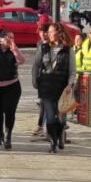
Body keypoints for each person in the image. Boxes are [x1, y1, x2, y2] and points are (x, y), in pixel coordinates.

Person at [31, 23, 76, 153]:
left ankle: (60, 133)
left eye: (51, 31)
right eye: (48, 32)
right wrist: (34, 80)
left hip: (62, 87)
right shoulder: (43, 47)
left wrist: (70, 84)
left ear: (58, 33)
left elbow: (73, 70)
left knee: (61, 118)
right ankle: (53, 142)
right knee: (50, 117)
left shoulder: (68, 50)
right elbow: (36, 65)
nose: (48, 34)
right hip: (46, 86)